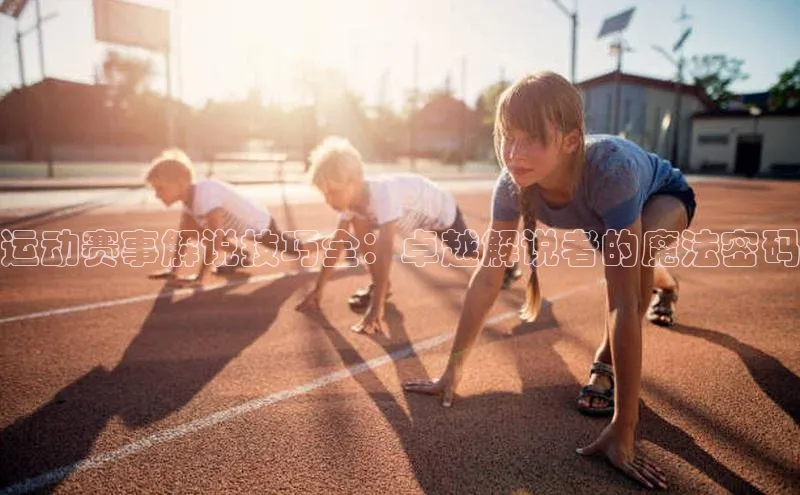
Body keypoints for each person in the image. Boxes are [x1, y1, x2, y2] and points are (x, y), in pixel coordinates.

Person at [403, 71, 697, 490]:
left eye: (531, 139)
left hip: (662, 197)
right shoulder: (510, 185)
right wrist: (451, 371)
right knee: (635, 271)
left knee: (636, 269)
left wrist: (624, 428)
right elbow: (488, 277)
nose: (514, 153)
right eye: (508, 137)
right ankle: (667, 285)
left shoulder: (611, 172)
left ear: (571, 141)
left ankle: (605, 360)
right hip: (606, 213)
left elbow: (622, 306)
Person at [295, 137, 522, 333]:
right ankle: (382, 287)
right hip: (413, 215)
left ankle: (504, 263)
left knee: (464, 249)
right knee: (360, 231)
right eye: (324, 194)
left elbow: (385, 252)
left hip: (440, 212)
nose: (328, 201)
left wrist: (376, 307)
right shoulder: (352, 204)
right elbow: (337, 244)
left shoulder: (383, 195)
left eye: (333, 192)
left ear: (354, 182)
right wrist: (318, 290)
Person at [145, 149, 311, 283]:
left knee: (297, 250)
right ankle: (239, 254)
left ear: (181, 184)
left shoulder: (205, 197)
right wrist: (174, 271)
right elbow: (184, 236)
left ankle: (333, 242)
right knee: (189, 229)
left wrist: (201, 277)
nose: (157, 195)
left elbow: (215, 240)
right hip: (235, 228)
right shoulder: (188, 199)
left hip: (260, 225)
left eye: (160, 188)